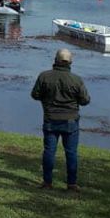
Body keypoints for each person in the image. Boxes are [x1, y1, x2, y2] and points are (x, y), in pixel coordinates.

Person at [31, 49, 90, 191]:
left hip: (51, 119)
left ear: (55, 60)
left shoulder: (44, 76)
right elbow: (85, 101)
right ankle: (71, 184)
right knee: (71, 152)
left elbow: (35, 95)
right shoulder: (76, 79)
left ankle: (47, 182)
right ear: (70, 62)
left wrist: (47, 99)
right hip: (71, 121)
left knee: (49, 151)